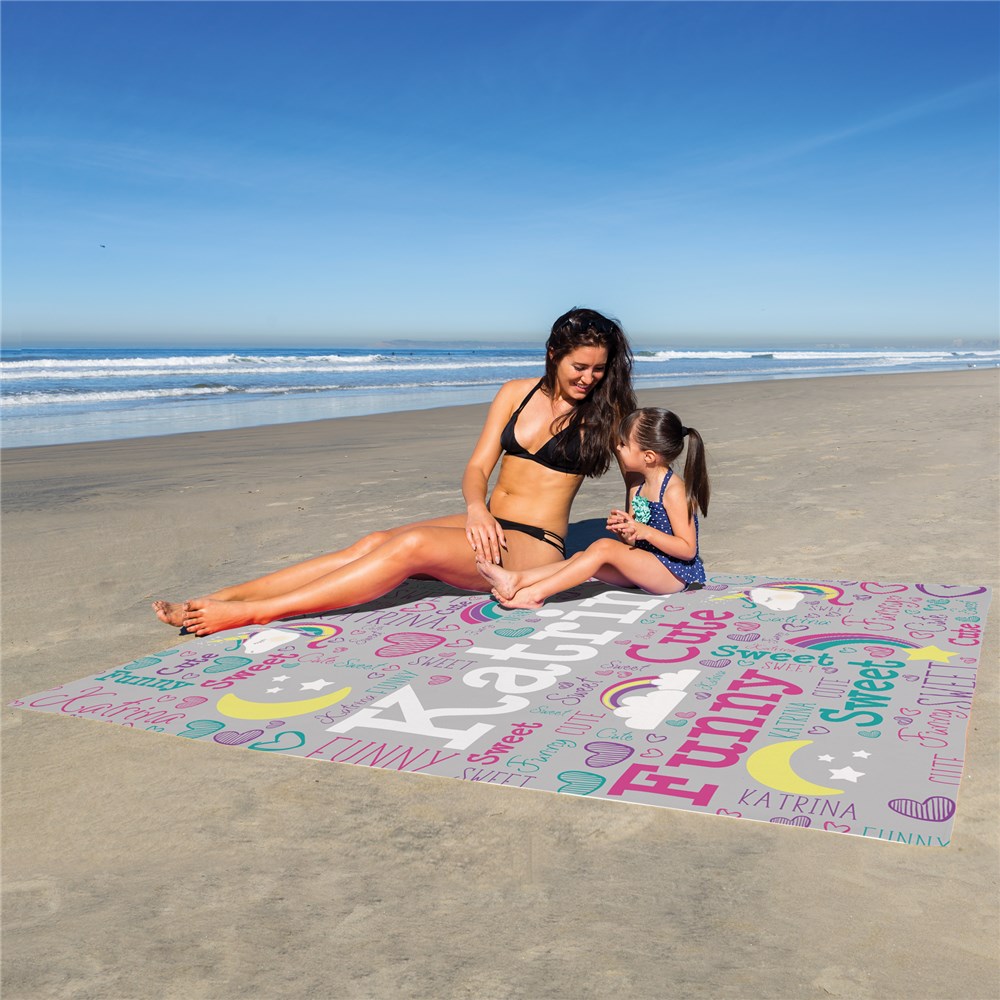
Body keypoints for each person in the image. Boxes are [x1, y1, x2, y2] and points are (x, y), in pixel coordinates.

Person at [153, 308, 637, 636]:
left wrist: (641, 531)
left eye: (598, 369)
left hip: (534, 545)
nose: (588, 378)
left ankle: (255, 612)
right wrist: (476, 509)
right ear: (554, 353)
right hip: (489, 522)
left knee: (412, 545)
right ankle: (222, 597)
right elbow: (477, 466)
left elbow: (640, 478)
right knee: (374, 541)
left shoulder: (606, 413)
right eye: (580, 366)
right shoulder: (515, 393)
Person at [476, 407, 708, 609]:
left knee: (603, 548)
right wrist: (626, 531)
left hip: (673, 573)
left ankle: (535, 595)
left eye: (624, 444)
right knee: (583, 557)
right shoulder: (637, 486)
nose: (617, 449)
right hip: (647, 564)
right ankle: (518, 580)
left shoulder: (674, 490)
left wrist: (644, 531)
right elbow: (635, 543)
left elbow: (688, 549)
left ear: (648, 456)